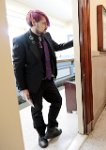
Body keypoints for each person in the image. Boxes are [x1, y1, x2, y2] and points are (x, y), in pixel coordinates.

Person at [12, 10, 73, 148]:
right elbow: (18, 67)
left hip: (48, 80)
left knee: (57, 100)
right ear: (34, 22)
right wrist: (22, 88)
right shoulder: (20, 40)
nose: (46, 26)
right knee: (37, 109)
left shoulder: (47, 36)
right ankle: (41, 135)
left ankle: (51, 128)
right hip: (33, 83)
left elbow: (57, 47)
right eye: (44, 23)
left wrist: (75, 41)